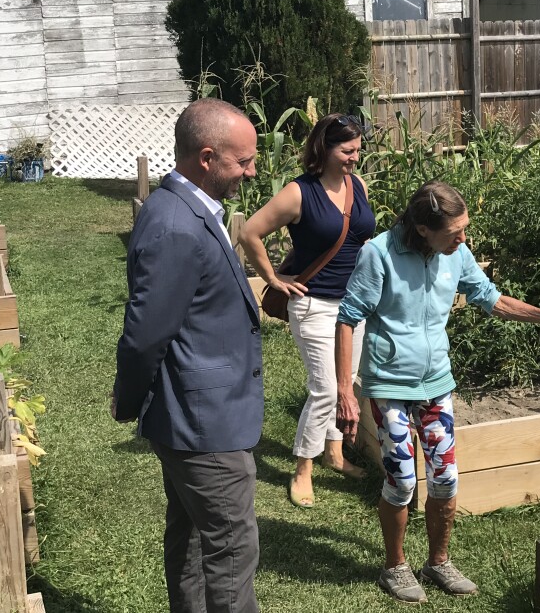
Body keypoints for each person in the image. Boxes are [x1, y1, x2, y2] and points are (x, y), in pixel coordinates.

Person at [335, 180, 540, 604]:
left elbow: (490, 298)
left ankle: (438, 562)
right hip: (389, 384)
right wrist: (344, 391)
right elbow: (348, 318)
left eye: (465, 229)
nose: (464, 239)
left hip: (436, 383)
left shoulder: (455, 254)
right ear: (423, 229)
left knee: (445, 479)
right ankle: (395, 566)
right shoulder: (380, 253)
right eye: (454, 232)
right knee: (402, 480)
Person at [112, 97, 263, 613]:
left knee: (193, 539)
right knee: (231, 551)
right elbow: (145, 335)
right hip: (204, 425)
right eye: (242, 161)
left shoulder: (190, 208)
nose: (252, 169)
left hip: (195, 417)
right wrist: (129, 400)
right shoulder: (176, 224)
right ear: (206, 157)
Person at [239, 113, 376, 508]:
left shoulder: (358, 185)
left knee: (346, 380)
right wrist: (274, 278)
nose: (354, 158)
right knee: (325, 389)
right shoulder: (300, 193)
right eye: (346, 151)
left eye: (357, 151)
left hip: (354, 305)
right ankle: (303, 469)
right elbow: (250, 231)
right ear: (324, 148)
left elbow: (362, 239)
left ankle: (335, 453)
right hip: (315, 304)